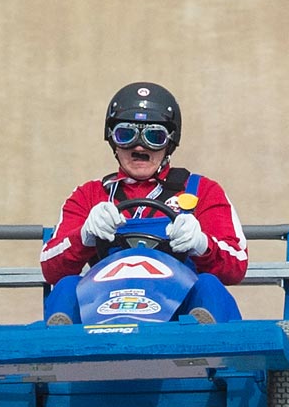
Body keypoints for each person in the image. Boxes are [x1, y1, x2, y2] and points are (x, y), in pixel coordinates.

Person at [39, 83, 248, 324]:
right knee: (67, 286)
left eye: (154, 137)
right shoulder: (90, 194)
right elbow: (50, 268)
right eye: (126, 135)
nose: (139, 146)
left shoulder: (201, 190)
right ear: (113, 142)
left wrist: (201, 244)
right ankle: (62, 345)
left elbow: (237, 266)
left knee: (209, 285)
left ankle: (200, 340)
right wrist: (84, 235)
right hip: (102, 308)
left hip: (176, 313)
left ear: (169, 143)